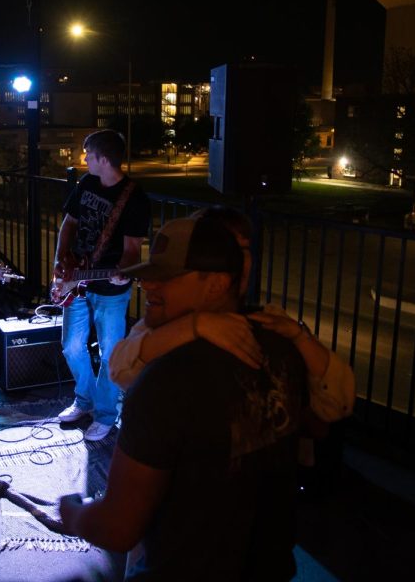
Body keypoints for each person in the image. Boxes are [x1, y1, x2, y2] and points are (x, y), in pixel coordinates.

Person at [59, 216, 310, 579]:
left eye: (168, 275)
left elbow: (119, 527)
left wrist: (74, 512)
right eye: (149, 273)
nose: (147, 284)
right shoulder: (282, 351)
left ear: (218, 284)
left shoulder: (166, 380)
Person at [108, 205, 355, 427]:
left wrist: (300, 338)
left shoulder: (270, 322)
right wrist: (195, 326)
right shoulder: (168, 321)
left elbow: (338, 403)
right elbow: (120, 369)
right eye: (224, 248)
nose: (240, 260)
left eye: (243, 249)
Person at [53, 130, 151, 441]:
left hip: (110, 289)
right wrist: (60, 264)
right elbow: (69, 224)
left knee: (111, 353)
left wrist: (124, 272)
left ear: (104, 160)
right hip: (76, 279)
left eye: (88, 155)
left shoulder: (134, 198)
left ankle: (107, 413)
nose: (84, 159)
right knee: (71, 345)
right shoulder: (87, 183)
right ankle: (85, 400)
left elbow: (133, 248)